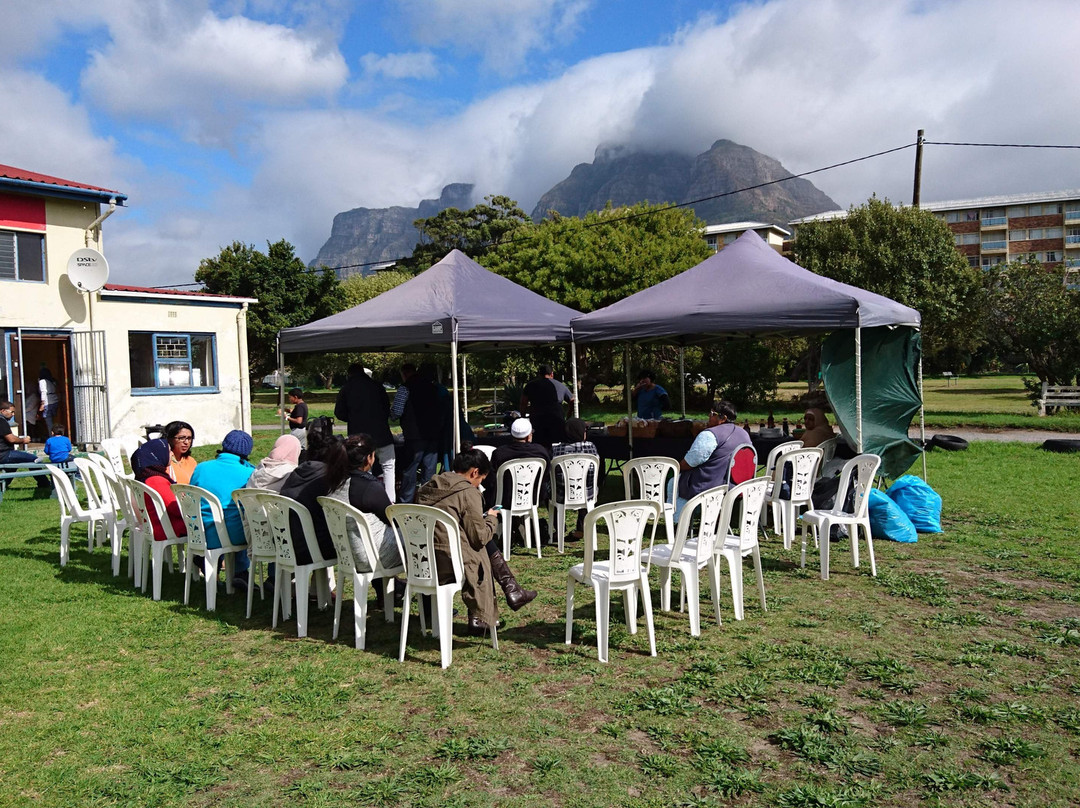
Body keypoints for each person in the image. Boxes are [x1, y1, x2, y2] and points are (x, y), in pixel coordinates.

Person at [416, 447, 536, 635]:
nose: (479, 486)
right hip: (450, 563)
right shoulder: (467, 492)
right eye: (480, 481)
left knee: (472, 540)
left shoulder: (428, 488)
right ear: (475, 472)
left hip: (422, 561)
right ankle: (492, 607)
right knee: (481, 547)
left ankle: (512, 590)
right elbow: (479, 537)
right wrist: (491, 517)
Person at [327, 433, 403, 601]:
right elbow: (392, 518)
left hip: (348, 553)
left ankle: (391, 591)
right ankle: (428, 600)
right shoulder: (369, 487)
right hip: (371, 556)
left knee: (373, 534)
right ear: (369, 458)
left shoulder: (335, 481)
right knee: (419, 541)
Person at [189, 430, 255, 588]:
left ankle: (210, 561)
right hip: (232, 533)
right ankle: (240, 571)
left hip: (200, 530)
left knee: (234, 518)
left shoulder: (201, 468)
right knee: (244, 521)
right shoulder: (249, 473)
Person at [674, 401, 751, 520]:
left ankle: (679, 521)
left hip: (709, 485)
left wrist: (676, 467)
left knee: (673, 482)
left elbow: (691, 462)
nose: (709, 416)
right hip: (736, 485)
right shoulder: (743, 433)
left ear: (723, 418)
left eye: (712, 413)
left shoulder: (710, 435)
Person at [279, 429, 346, 566]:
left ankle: (322, 586)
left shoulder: (297, 472)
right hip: (312, 549)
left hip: (286, 545)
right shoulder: (326, 479)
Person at [334, 362, 396, 502]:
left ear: (349, 374)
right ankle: (390, 501)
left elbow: (339, 413)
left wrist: (353, 417)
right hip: (382, 434)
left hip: (359, 437)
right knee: (388, 467)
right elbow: (386, 409)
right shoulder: (377, 386)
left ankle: (368, 501)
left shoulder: (346, 389)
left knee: (363, 470)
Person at [390, 363, 442, 503]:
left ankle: (406, 501)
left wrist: (390, 415)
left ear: (404, 373)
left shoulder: (405, 388)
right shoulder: (432, 386)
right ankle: (427, 501)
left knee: (410, 470)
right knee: (429, 470)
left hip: (415, 435)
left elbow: (397, 412)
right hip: (433, 433)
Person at [485, 417, 551, 512]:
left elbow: (491, 480)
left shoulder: (499, 453)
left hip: (504, 501)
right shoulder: (540, 452)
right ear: (529, 436)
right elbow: (546, 474)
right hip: (533, 498)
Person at [551, 417, 600, 540]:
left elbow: (555, 474)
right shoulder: (591, 447)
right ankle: (581, 528)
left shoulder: (557, 449)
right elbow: (592, 473)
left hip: (562, 494)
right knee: (588, 486)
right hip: (586, 493)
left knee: (548, 490)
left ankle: (559, 528)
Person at [131, 438, 186, 542]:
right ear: (157, 455)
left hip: (157, 525)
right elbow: (175, 509)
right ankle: (202, 557)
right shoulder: (156, 480)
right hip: (167, 528)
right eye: (169, 451)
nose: (172, 454)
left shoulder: (144, 476)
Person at [0, 400, 50, 487]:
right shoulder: (2, 421)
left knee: (12, 466)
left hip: (3, 453)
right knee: (34, 459)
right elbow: (11, 439)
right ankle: (44, 483)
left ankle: (2, 486)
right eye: (12, 412)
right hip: (5, 453)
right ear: (3, 411)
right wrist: (24, 440)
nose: (13, 414)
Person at [521, 364, 570, 449]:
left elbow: (523, 402)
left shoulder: (530, 385)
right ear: (552, 374)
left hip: (538, 422)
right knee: (557, 445)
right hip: (557, 421)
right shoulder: (560, 385)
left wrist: (523, 416)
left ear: (539, 374)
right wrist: (568, 415)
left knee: (539, 446)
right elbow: (572, 400)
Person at [38, 366, 60, 433]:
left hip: (48, 402)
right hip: (55, 400)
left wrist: (42, 404)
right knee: (55, 419)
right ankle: (58, 433)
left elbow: (43, 392)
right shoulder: (52, 381)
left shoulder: (42, 381)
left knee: (48, 420)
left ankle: (52, 436)